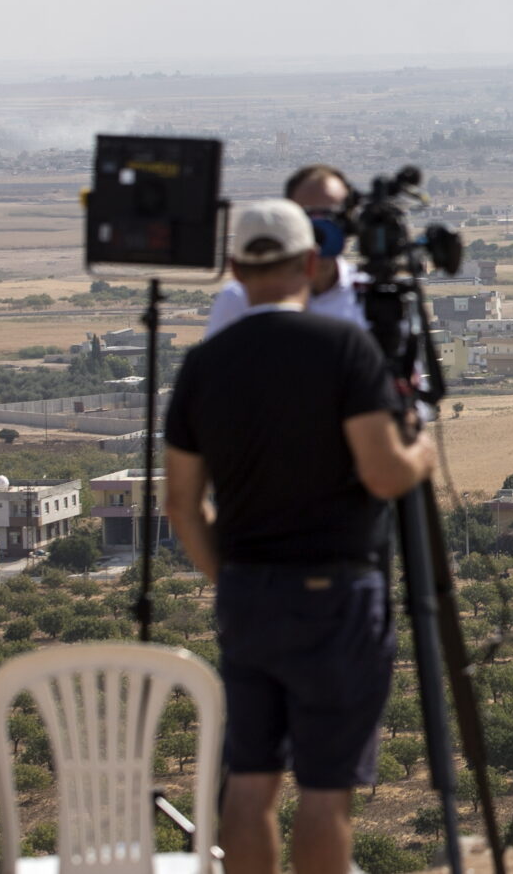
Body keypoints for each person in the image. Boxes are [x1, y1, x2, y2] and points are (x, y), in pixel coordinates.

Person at [164, 199, 436, 874]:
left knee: (251, 781)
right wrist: (423, 448)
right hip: (335, 594)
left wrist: (227, 578)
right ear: (311, 265)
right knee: (324, 790)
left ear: (234, 269)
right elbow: (381, 471)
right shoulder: (343, 348)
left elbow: (180, 503)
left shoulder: (203, 364)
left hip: (249, 593)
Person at [203, 164, 363, 338]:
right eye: (309, 217)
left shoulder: (374, 296)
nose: (321, 230)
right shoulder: (239, 298)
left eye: (333, 218)